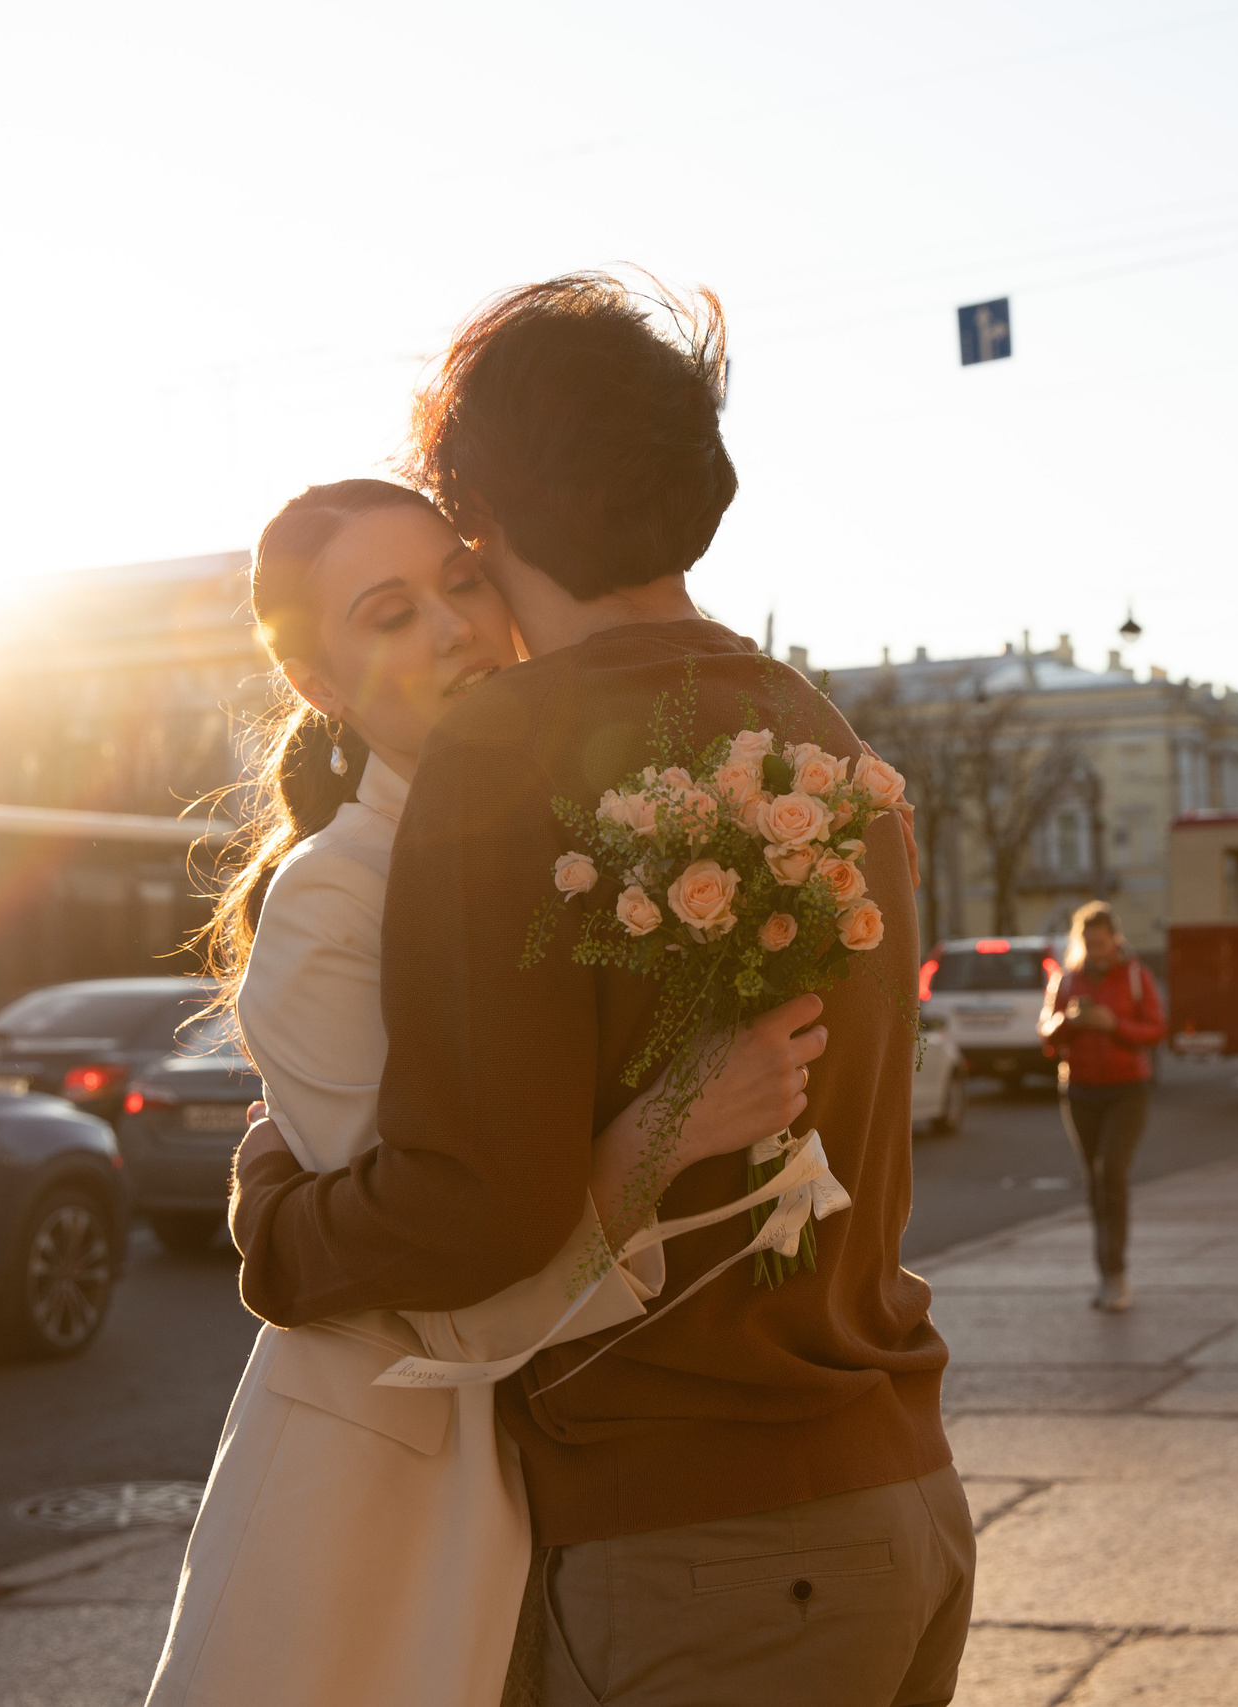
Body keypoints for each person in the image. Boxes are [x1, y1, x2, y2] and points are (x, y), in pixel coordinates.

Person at [228, 277, 970, 1707]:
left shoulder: (509, 748)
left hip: (699, 1539)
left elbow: (475, 1203)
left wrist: (276, 1230)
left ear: (484, 518)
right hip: (902, 1488)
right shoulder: (820, 739)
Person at [146, 480, 822, 1707]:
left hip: (576, 1493)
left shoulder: (582, 839)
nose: (457, 626)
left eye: (462, 582)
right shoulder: (335, 900)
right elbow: (435, 1289)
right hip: (389, 1502)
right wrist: (678, 1121)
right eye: (390, 613)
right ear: (322, 686)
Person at [1038, 901, 1167, 1314]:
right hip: (1079, 1091)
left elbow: (1156, 1029)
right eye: (1089, 942)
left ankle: (1117, 1275)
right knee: (1095, 1184)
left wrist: (1116, 1025)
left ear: (1115, 939)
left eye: (1102, 941)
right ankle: (1105, 1275)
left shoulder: (1134, 976)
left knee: (1112, 1173)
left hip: (1127, 1090)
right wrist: (1070, 1022)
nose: (1096, 949)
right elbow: (1046, 1034)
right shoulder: (1068, 979)